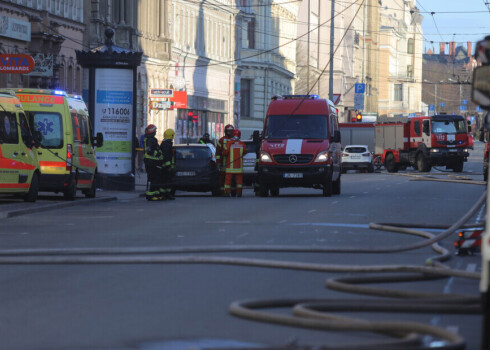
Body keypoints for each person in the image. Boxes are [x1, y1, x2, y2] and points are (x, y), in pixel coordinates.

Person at [223, 129, 247, 197]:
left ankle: (227, 193)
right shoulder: (242, 144)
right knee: (239, 182)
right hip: (239, 167)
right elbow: (245, 152)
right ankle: (239, 193)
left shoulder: (229, 143)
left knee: (228, 181)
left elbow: (225, 153)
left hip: (229, 167)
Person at [143, 124, 163, 201]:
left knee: (155, 178)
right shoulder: (150, 140)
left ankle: (155, 194)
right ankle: (150, 195)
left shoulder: (151, 139)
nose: (156, 132)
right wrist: (157, 153)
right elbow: (150, 151)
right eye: (155, 131)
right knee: (152, 178)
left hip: (153, 161)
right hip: (151, 162)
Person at [216, 124, 234, 194]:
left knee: (233, 178)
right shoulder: (221, 140)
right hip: (224, 162)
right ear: (225, 131)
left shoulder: (235, 140)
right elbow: (218, 153)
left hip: (233, 163)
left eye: (231, 131)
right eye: (228, 131)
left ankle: (233, 190)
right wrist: (218, 162)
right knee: (223, 177)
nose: (230, 133)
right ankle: (222, 191)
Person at [160, 128, 176, 200]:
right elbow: (166, 156)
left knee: (168, 181)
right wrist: (168, 166)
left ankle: (167, 194)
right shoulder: (166, 144)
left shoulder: (166, 143)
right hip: (166, 167)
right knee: (166, 181)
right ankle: (165, 194)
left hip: (166, 167)